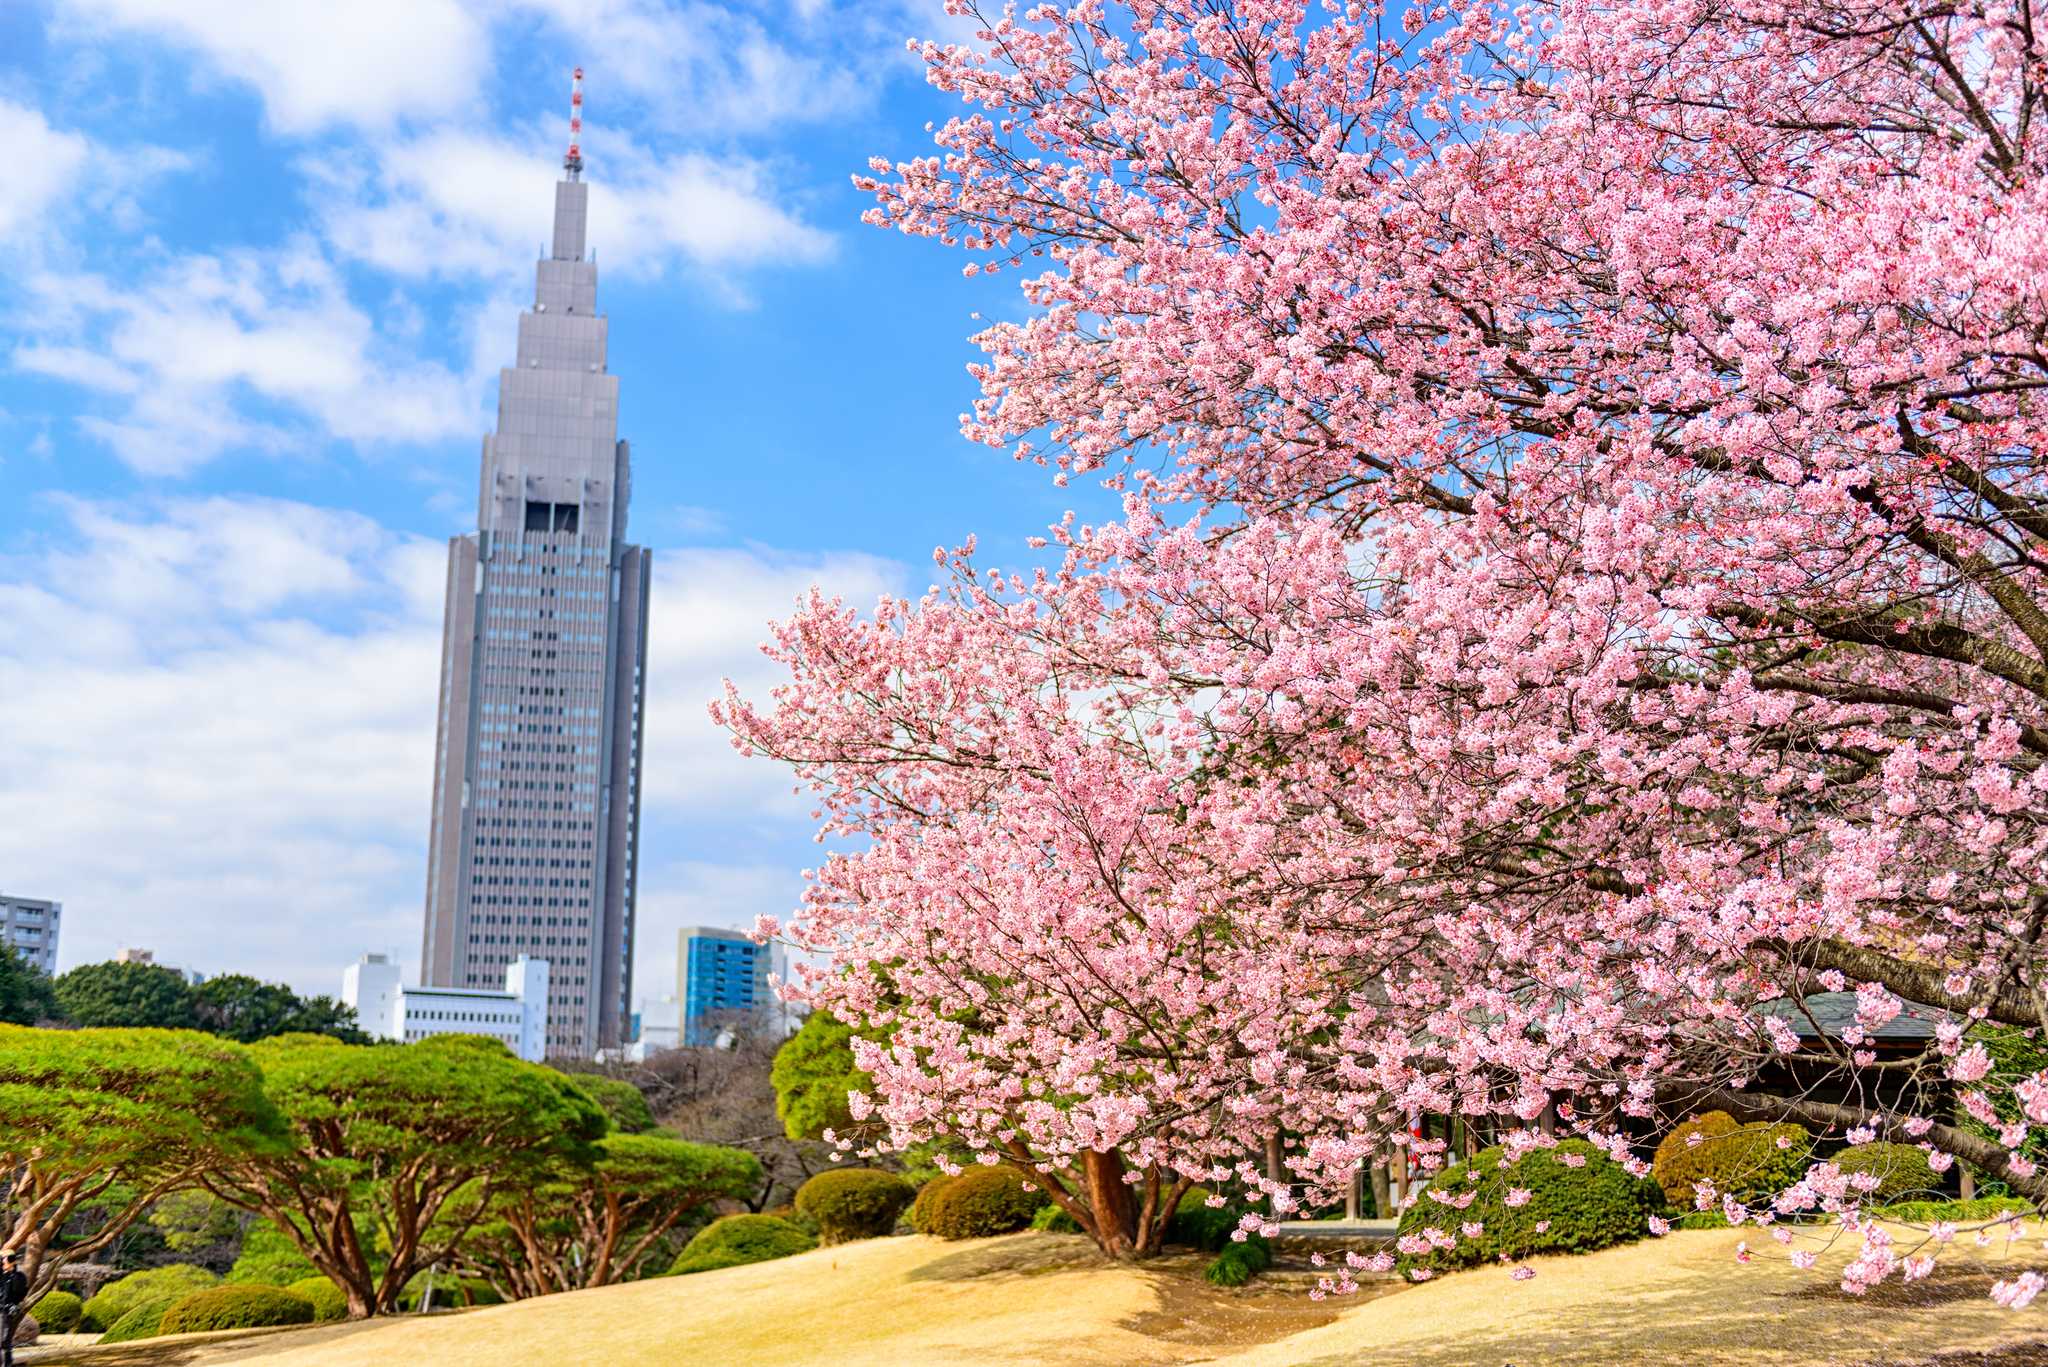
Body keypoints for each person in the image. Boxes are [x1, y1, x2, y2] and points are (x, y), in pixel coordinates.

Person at [0, 1250, 26, 1367]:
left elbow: (19, 1293)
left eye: (4, 1258)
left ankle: (7, 1364)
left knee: (4, 1340)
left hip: (6, 1312)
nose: (3, 1261)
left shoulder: (18, 1276)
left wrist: (10, 1272)